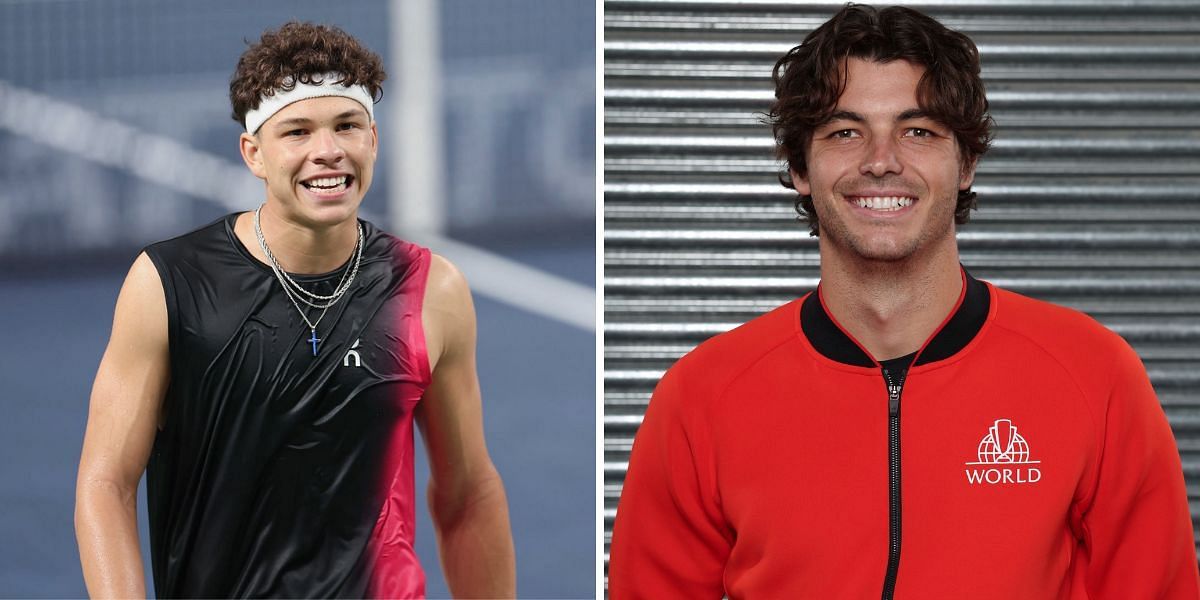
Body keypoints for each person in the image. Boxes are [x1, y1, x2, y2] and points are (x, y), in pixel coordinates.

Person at [607, 4, 1199, 599]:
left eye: (918, 132)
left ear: (965, 162)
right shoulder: (700, 398)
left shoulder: (1094, 375)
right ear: (798, 168)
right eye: (845, 132)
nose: (881, 160)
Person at [74, 22, 515, 598]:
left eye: (347, 126)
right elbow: (106, 484)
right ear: (253, 154)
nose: (327, 151)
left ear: (373, 140)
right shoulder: (168, 284)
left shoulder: (431, 290)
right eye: (298, 131)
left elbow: (468, 494)